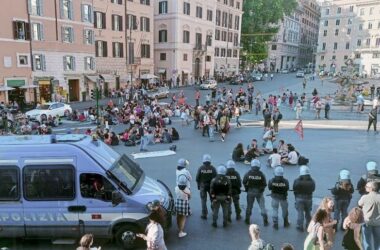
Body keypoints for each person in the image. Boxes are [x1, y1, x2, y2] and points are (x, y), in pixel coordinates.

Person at [243, 159, 269, 226]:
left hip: (250, 191)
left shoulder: (248, 173)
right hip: (259, 193)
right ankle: (265, 220)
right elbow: (264, 184)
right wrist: (261, 190)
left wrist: (246, 189)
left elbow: (244, 182)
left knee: (249, 206)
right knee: (262, 207)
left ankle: (247, 219)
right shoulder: (261, 174)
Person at [358, 181, 380, 250]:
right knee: (378, 241)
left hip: (367, 222)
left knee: (367, 241)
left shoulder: (365, 197)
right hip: (378, 222)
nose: (365, 187)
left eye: (367, 187)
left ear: (371, 189)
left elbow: (359, 204)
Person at [293, 166, 316, 232]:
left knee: (300, 213)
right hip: (308, 198)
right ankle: (308, 225)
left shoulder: (297, 181)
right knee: (308, 212)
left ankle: (300, 226)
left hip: (299, 198)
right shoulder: (312, 181)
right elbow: (313, 189)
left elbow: (294, 189)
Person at [196, 154, 217, 220]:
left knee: (203, 200)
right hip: (211, 186)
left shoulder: (201, 168)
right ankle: (214, 211)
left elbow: (197, 178)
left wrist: (199, 186)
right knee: (213, 199)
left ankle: (204, 214)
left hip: (203, 186)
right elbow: (216, 178)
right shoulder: (213, 168)